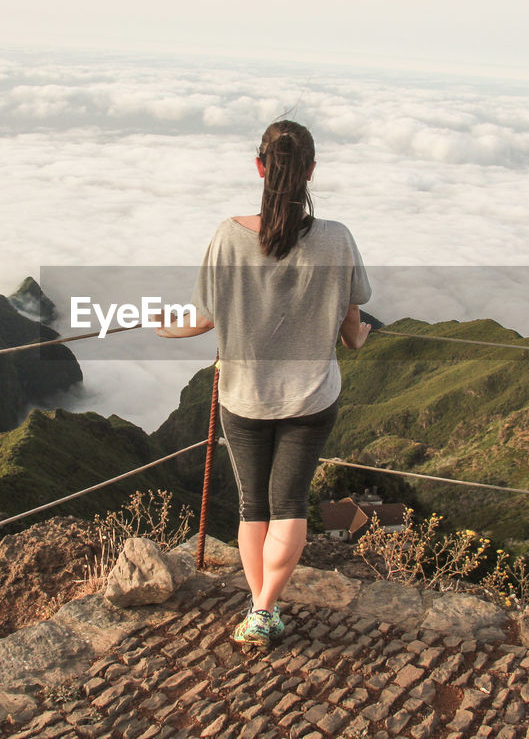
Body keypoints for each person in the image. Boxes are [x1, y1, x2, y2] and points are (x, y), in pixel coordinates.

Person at [156, 119, 372, 646]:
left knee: (254, 507)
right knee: (289, 506)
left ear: (259, 168)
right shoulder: (338, 239)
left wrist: (167, 328)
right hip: (311, 398)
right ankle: (264, 608)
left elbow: (205, 319)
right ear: (311, 172)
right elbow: (350, 324)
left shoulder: (228, 236)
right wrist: (360, 339)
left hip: (242, 397)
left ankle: (260, 610)